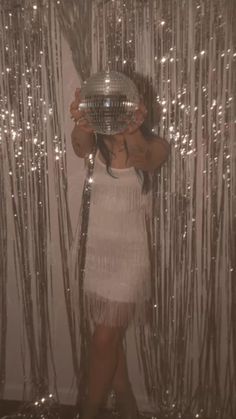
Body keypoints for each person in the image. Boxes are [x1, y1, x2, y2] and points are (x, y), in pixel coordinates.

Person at [70, 86, 170, 419]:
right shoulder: (95, 143)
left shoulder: (156, 145)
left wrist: (134, 130)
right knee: (108, 338)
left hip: (129, 260)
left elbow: (145, 158)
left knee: (102, 341)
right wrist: (83, 124)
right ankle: (127, 404)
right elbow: (77, 146)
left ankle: (89, 411)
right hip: (99, 255)